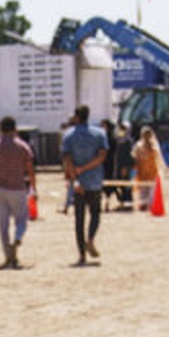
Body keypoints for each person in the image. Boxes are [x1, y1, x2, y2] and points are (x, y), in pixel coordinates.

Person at [0, 115, 35, 268]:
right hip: (18, 187)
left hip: (0, 188)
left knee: (3, 224)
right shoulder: (22, 146)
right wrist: (33, 186)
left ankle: (8, 256)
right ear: (15, 128)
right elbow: (30, 169)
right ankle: (17, 238)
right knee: (21, 220)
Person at [62, 104, 108, 264]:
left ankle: (81, 254)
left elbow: (67, 159)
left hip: (78, 182)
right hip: (94, 179)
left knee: (79, 218)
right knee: (95, 212)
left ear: (76, 117)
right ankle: (91, 237)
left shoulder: (68, 135)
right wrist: (86, 168)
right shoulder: (99, 133)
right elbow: (102, 156)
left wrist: (75, 176)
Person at [133, 125, 162, 212]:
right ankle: (143, 205)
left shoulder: (154, 145)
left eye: (148, 134)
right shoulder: (138, 145)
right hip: (142, 171)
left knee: (151, 190)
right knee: (142, 189)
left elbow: (157, 156)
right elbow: (135, 155)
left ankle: (151, 206)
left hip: (152, 170)